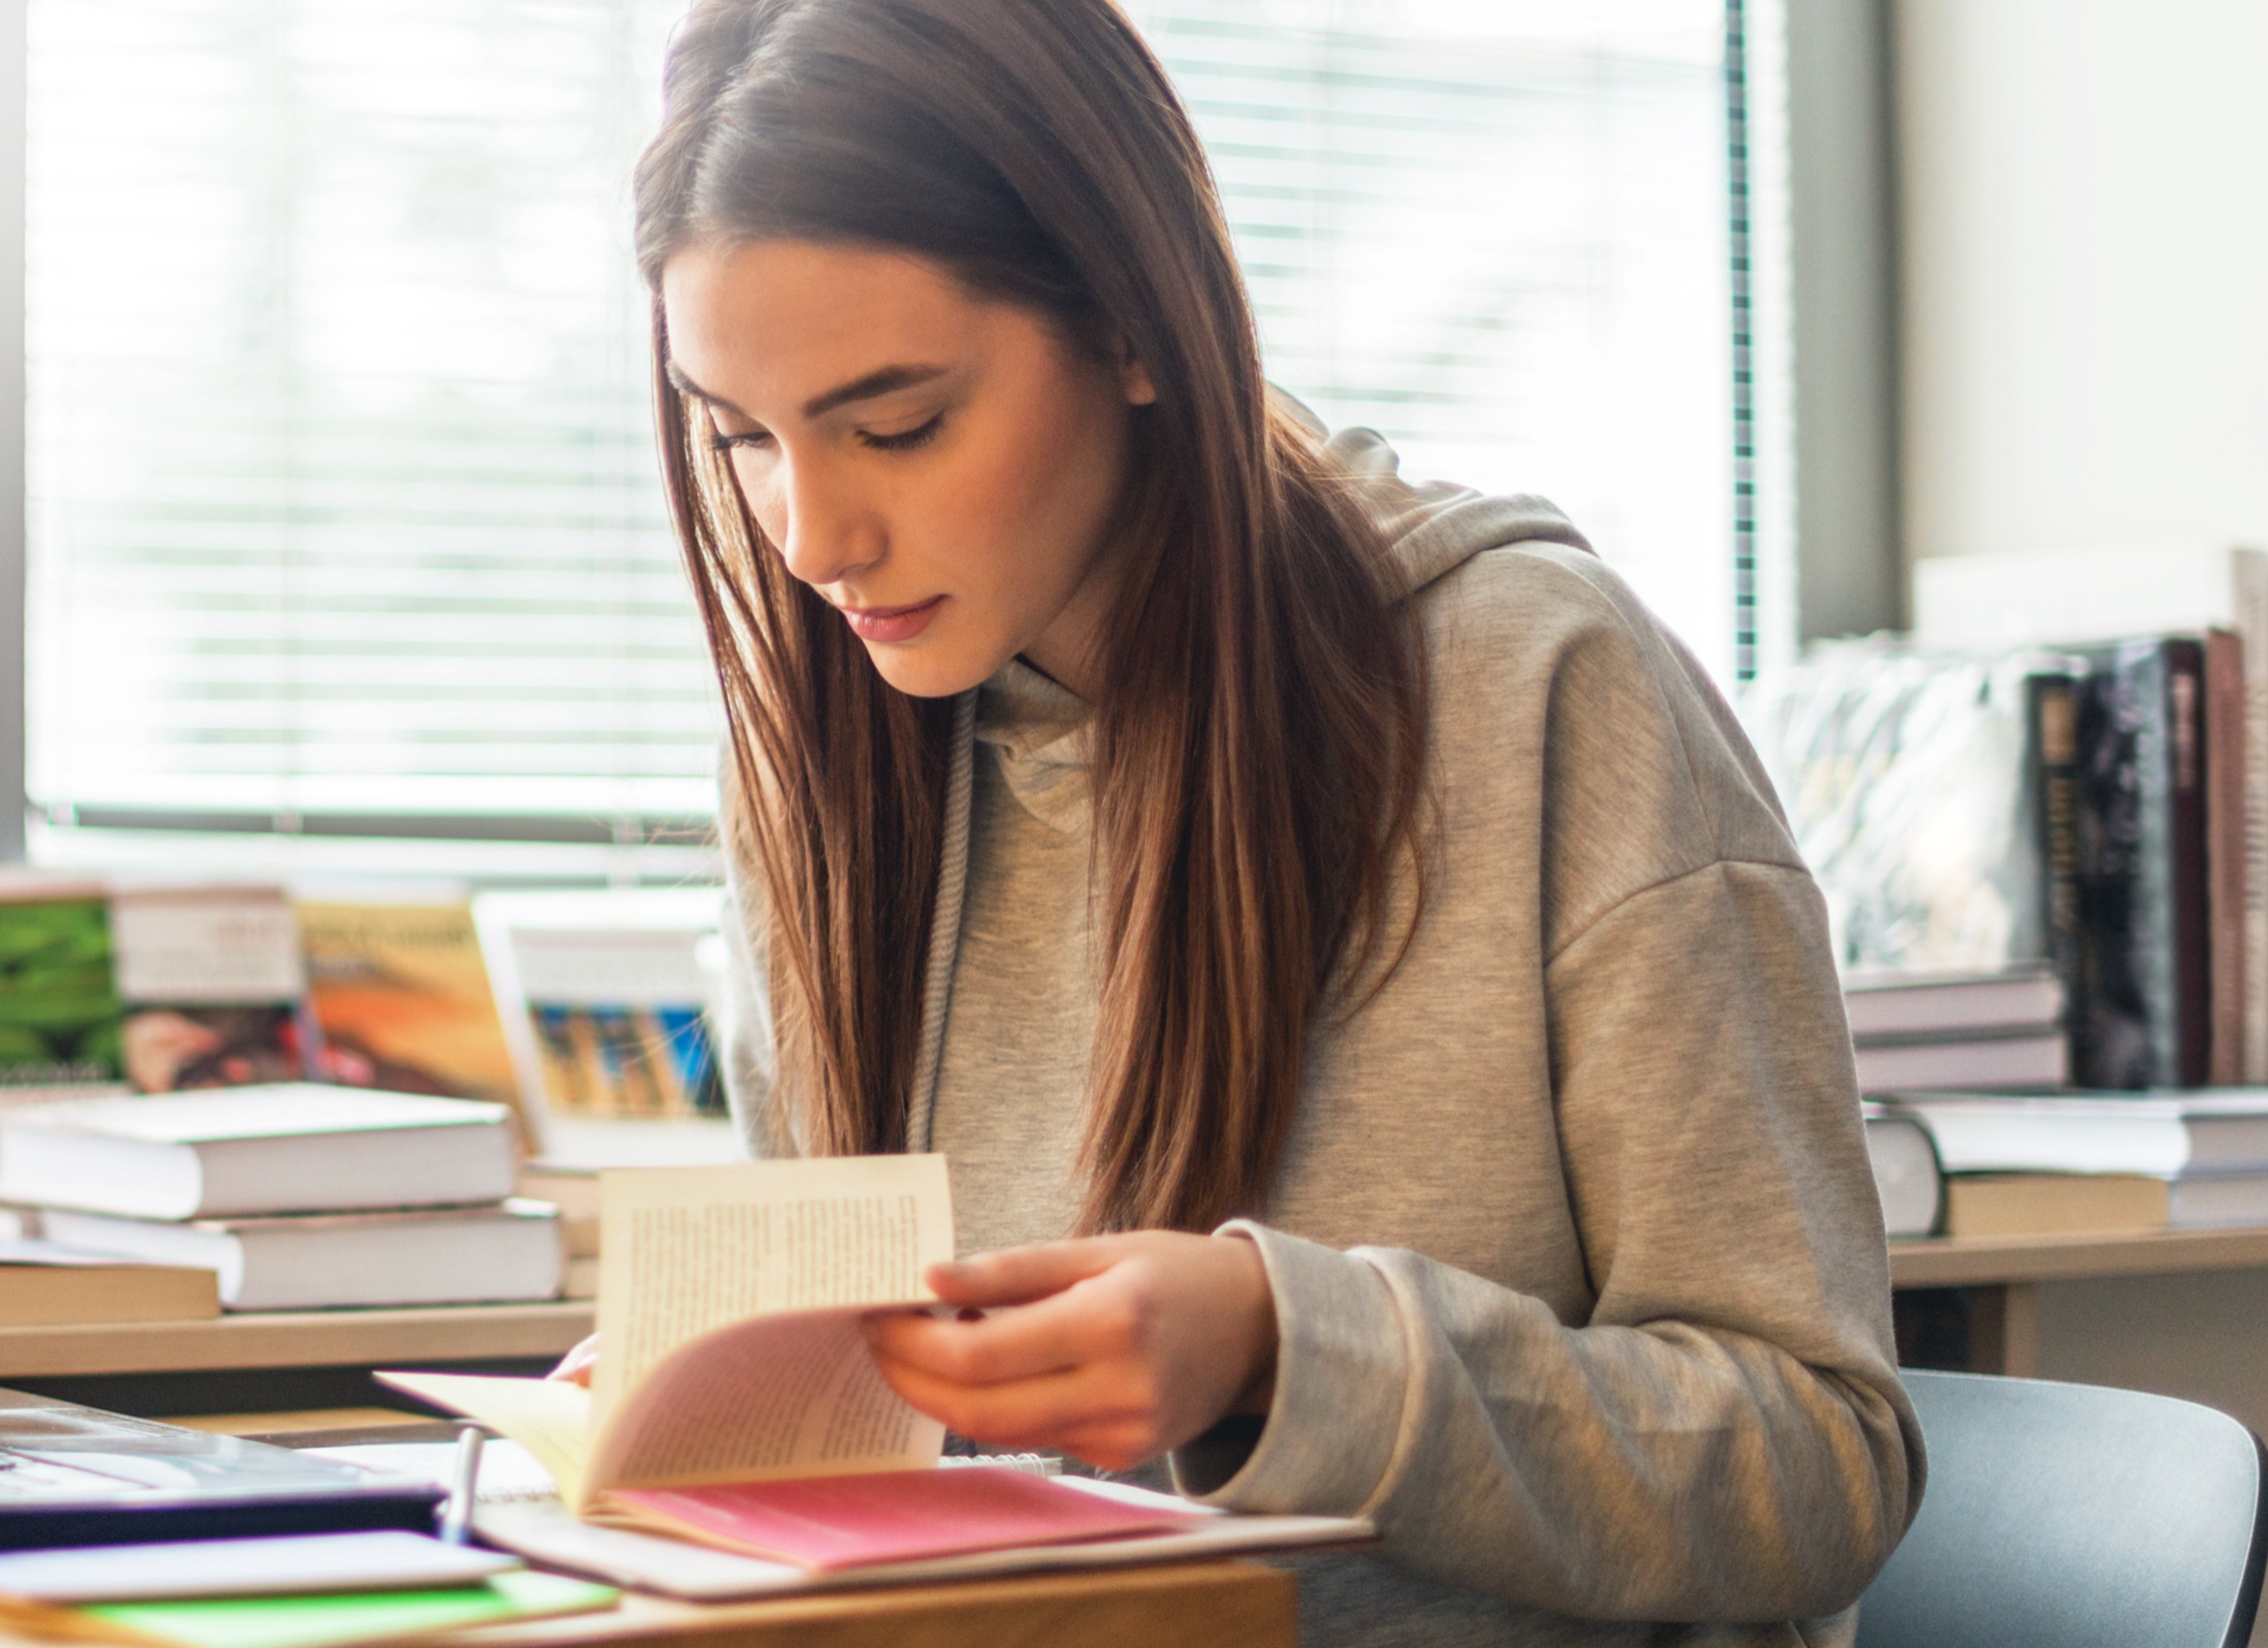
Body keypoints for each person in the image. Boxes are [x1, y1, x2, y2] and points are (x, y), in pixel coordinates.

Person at [572, 1, 1920, 1641]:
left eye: (900, 424)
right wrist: (725, 1410)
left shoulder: (1543, 686)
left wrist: (1288, 1349)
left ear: (1140, 327)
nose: (810, 537)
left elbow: (1819, 1469)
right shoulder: (833, 764)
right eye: (739, 437)